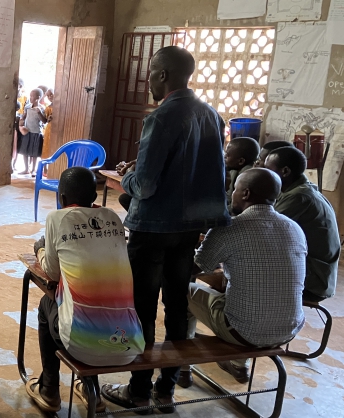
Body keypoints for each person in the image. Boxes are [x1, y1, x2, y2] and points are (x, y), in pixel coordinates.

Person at [101, 46, 230, 414]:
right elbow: (206, 177)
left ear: (163, 76)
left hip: (153, 227)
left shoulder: (162, 116)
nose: (149, 85)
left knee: (142, 307)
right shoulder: (210, 115)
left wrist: (126, 174)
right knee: (177, 307)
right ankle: (167, 389)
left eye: (151, 77)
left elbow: (144, 186)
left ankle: (138, 389)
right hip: (188, 230)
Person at [26, 167, 145, 414]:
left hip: (82, 343)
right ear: (95, 194)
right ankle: (91, 389)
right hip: (129, 343)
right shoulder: (112, 217)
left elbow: (52, 272)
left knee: (47, 306)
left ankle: (49, 390)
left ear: (61, 197)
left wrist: (40, 248)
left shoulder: (57, 218)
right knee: (92, 306)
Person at [189, 168, 305, 383]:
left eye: (235, 189)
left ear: (246, 194)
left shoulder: (230, 227)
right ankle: (238, 365)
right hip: (288, 331)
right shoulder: (294, 228)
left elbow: (193, 268)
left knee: (183, 290)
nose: (231, 193)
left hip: (244, 333)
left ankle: (181, 367)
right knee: (239, 286)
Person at [264, 147, 340, 302]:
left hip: (315, 282)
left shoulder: (300, 197)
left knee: (246, 269)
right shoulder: (297, 191)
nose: (264, 174)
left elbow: (262, 228)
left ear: (285, 172)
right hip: (312, 271)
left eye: (267, 170)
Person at [224, 137, 260, 212]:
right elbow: (229, 197)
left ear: (241, 161)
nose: (224, 158)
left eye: (227, 156)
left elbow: (237, 208)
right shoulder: (233, 170)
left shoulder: (249, 179)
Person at [18, 88, 47, 176]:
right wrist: (22, 119)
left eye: (32, 96)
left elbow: (44, 121)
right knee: (25, 151)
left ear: (38, 98)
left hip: (36, 133)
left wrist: (39, 113)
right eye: (30, 96)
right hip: (27, 131)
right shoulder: (27, 107)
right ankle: (26, 168)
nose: (30, 98)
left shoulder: (41, 108)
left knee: (34, 152)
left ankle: (33, 170)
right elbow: (24, 117)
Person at [40, 88, 55, 160]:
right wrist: (48, 118)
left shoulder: (61, 106)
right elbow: (45, 120)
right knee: (47, 146)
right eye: (48, 96)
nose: (50, 97)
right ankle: (45, 168)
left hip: (57, 129)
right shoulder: (48, 107)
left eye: (51, 94)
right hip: (49, 128)